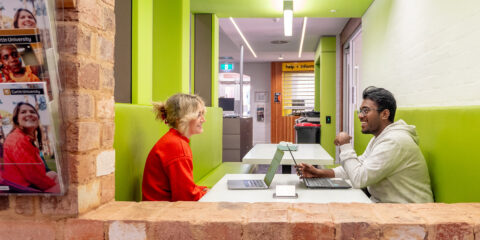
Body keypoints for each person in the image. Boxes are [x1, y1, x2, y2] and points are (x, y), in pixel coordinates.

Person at [296, 86, 433, 203]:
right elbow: (358, 167)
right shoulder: (380, 138)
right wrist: (319, 173)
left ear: (385, 114)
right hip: (390, 209)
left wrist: (345, 145)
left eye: (366, 110)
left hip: (410, 216)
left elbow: (359, 179)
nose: (360, 116)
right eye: (360, 111)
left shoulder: (394, 141)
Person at [142, 93, 208, 201]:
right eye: (198, 115)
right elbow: (186, 198)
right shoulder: (178, 147)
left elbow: (185, 188)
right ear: (181, 119)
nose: (203, 120)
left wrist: (202, 190)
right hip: (162, 213)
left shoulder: (174, 140)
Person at [1, 102, 59, 193]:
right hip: (19, 188)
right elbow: (33, 176)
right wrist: (53, 186)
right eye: (23, 112)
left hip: (24, 183)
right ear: (17, 119)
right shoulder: (17, 139)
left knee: (54, 174)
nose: (29, 114)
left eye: (32, 112)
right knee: (66, 189)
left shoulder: (24, 138)